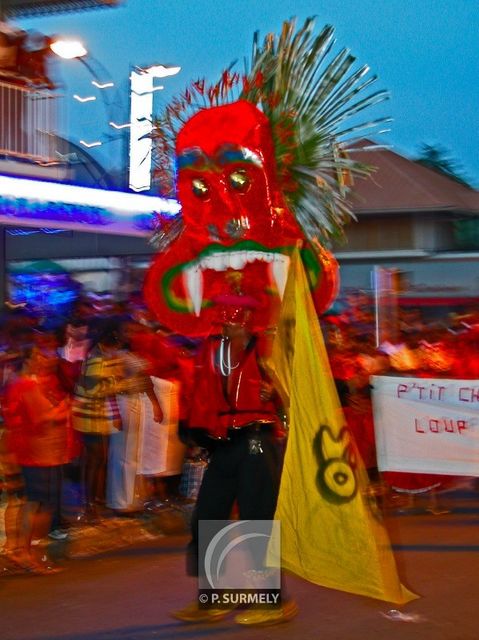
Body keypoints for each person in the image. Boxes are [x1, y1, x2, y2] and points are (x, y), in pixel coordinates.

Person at [172, 296, 297, 625]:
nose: (227, 322)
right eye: (223, 317)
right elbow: (199, 394)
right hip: (223, 443)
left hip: (258, 441)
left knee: (258, 518)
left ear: (247, 319)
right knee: (207, 516)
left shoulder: (268, 349)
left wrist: (277, 394)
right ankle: (213, 598)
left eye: (233, 317)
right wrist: (196, 437)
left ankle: (271, 602)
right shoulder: (212, 350)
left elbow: (295, 393)